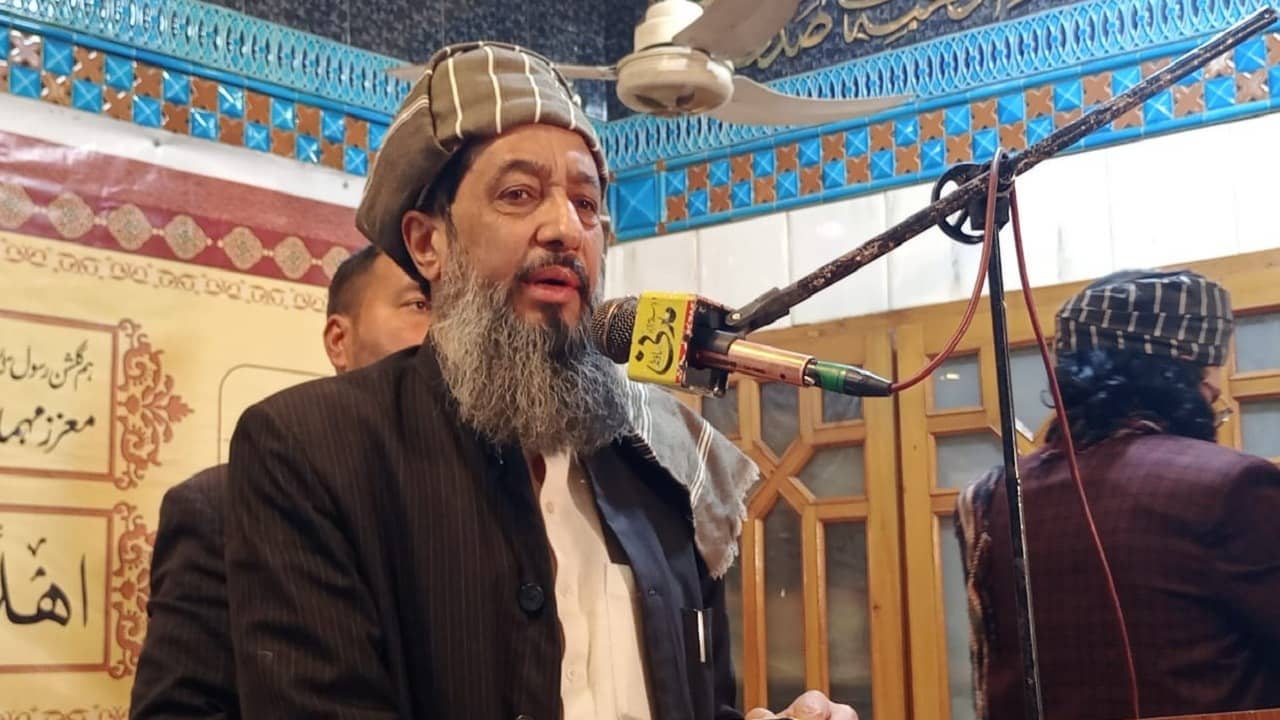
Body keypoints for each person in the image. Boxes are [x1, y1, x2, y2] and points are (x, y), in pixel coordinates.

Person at [224, 42, 853, 720]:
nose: (565, 228)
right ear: (429, 243)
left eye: (586, 203)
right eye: (519, 195)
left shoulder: (664, 459)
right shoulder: (311, 450)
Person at [956, 269, 1280, 720]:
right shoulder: (1233, 485)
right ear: (1175, 377)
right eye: (1207, 384)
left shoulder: (988, 497)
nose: (1214, 399)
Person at [129, 246, 432, 719]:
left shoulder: (499, 504)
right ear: (339, 341)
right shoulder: (219, 507)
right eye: (420, 304)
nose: (444, 332)